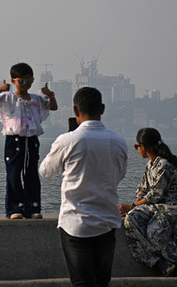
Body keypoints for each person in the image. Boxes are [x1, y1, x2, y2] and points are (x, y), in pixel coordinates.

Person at [39, 87, 128, 286]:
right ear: (102, 109)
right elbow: (119, 176)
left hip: (75, 224)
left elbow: (46, 172)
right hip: (107, 222)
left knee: (82, 282)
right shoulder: (119, 142)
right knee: (101, 282)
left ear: (75, 110)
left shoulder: (67, 140)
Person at [119, 128, 177, 276]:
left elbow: (155, 195)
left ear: (143, 146)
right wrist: (131, 209)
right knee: (131, 219)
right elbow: (142, 191)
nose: (137, 149)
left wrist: (132, 206)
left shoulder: (164, 165)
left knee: (154, 233)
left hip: (171, 208)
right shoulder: (150, 166)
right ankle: (159, 262)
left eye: (136, 146)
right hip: (156, 208)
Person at [0, 62, 57, 219]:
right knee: (13, 173)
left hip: (31, 139)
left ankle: (32, 208)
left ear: (32, 80)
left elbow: (52, 107)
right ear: (13, 81)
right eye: (21, 81)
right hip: (14, 139)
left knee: (31, 173)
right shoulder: (8, 97)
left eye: (28, 80)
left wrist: (49, 94)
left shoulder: (36, 99)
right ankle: (14, 209)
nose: (25, 85)